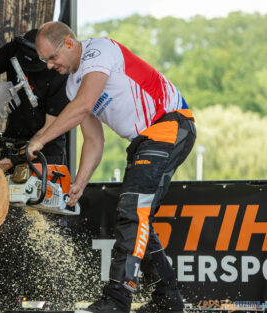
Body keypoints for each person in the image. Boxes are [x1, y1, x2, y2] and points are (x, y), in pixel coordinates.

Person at [27, 21, 196, 313]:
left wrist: (40, 138)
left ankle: (118, 299)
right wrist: (79, 183)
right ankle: (167, 300)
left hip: (169, 125)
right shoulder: (72, 85)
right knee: (138, 214)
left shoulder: (100, 50)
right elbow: (93, 140)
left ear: (69, 42)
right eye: (45, 61)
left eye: (52, 58)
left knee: (132, 210)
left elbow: (83, 106)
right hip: (143, 141)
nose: (50, 66)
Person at [0, 29, 69, 171]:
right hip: (12, 141)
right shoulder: (16, 48)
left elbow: (49, 128)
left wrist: (12, 160)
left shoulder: (60, 73)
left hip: (46, 151)